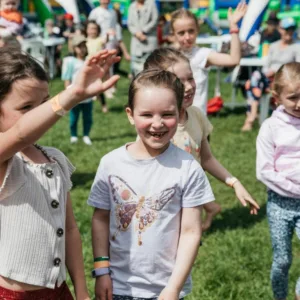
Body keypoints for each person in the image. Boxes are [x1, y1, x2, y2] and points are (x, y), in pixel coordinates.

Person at [0, 47, 120, 299]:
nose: (40, 114)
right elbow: (21, 133)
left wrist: (82, 290)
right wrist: (72, 94)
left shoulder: (54, 158)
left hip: (58, 291)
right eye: (26, 107)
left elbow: (70, 229)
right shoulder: (4, 158)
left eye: (43, 104)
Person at [88, 69, 215, 300]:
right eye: (146, 114)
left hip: (165, 290)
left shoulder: (188, 168)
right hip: (117, 286)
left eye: (167, 114)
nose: (157, 124)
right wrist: (101, 270)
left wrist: (173, 289)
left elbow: (190, 231)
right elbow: (100, 218)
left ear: (180, 112)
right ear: (130, 114)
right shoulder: (110, 164)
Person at [144, 47, 259, 231]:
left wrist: (235, 183)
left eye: (190, 78)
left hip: (191, 205)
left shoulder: (196, 116)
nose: (189, 86)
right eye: (179, 82)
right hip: (163, 215)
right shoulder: (154, 128)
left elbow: (206, 159)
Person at [256, 62, 300, 300]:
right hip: (280, 204)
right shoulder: (270, 128)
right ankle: (280, 296)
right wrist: (295, 190)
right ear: (277, 98)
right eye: (293, 97)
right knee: (282, 260)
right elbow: (263, 171)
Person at [170, 3, 247, 114]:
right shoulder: (168, 56)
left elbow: (233, 60)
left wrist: (233, 27)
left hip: (197, 119)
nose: (187, 37)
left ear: (197, 30)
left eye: (191, 31)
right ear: (173, 34)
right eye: (181, 33)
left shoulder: (202, 54)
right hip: (174, 119)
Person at [242, 17, 300, 131]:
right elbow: (266, 65)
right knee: (254, 80)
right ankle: (253, 114)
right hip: (268, 78)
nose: (289, 32)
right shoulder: (273, 46)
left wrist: (276, 71)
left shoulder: (297, 47)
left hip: (286, 80)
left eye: (292, 29)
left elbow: (297, 68)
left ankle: (251, 117)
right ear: (280, 29)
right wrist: (268, 73)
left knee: (252, 82)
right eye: (287, 29)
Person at [62, 35, 95, 145]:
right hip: (75, 97)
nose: (82, 49)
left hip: (87, 97)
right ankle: (74, 135)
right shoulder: (71, 61)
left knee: (88, 118)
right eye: (79, 46)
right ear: (74, 48)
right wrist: (68, 94)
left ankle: (86, 135)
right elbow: (67, 78)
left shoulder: (88, 61)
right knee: (74, 118)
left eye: (83, 46)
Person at [89, 0, 118, 99]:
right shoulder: (95, 12)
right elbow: (90, 26)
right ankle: (94, 90)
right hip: (97, 42)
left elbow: (114, 27)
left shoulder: (112, 12)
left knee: (108, 65)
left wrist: (115, 41)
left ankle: (108, 88)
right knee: (97, 64)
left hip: (109, 42)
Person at [127, 0, 158, 76]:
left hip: (149, 42)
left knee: (150, 68)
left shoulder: (151, 3)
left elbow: (155, 19)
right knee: (135, 70)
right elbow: (130, 24)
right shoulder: (132, 6)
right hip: (136, 43)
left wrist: (143, 31)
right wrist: (136, 33)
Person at [85, 20, 108, 113]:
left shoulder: (100, 40)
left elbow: (106, 40)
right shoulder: (84, 41)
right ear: (86, 30)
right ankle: (86, 105)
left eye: (94, 28)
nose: (92, 31)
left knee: (98, 86)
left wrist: (108, 34)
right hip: (86, 66)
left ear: (98, 30)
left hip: (97, 66)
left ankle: (103, 105)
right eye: (90, 28)